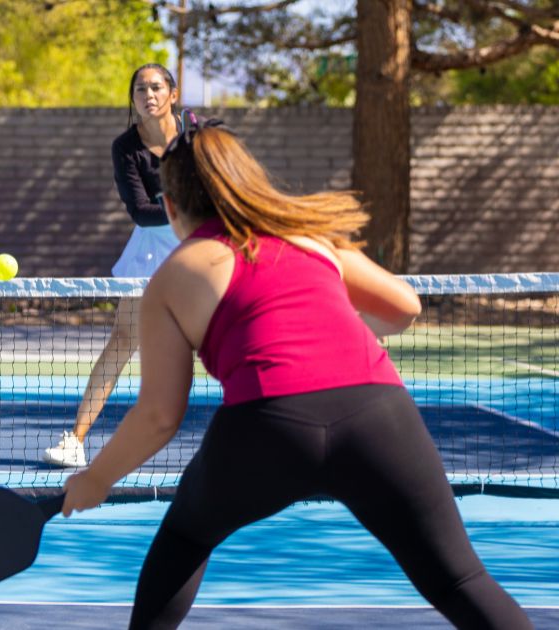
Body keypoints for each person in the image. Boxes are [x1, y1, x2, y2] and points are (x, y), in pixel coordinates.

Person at [60, 119, 532, 629]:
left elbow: (159, 416)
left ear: (170, 208)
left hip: (268, 425)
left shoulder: (173, 276)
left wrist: (97, 479)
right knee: (458, 580)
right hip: (379, 415)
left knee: (186, 539)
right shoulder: (310, 238)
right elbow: (403, 307)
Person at [43, 63, 184, 467]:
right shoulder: (126, 147)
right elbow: (140, 211)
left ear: (172, 93)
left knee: (226, 340)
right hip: (151, 252)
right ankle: (75, 440)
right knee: (123, 340)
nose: (148, 95)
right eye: (140, 89)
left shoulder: (196, 135)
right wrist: (188, 209)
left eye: (156, 87)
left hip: (202, 248)